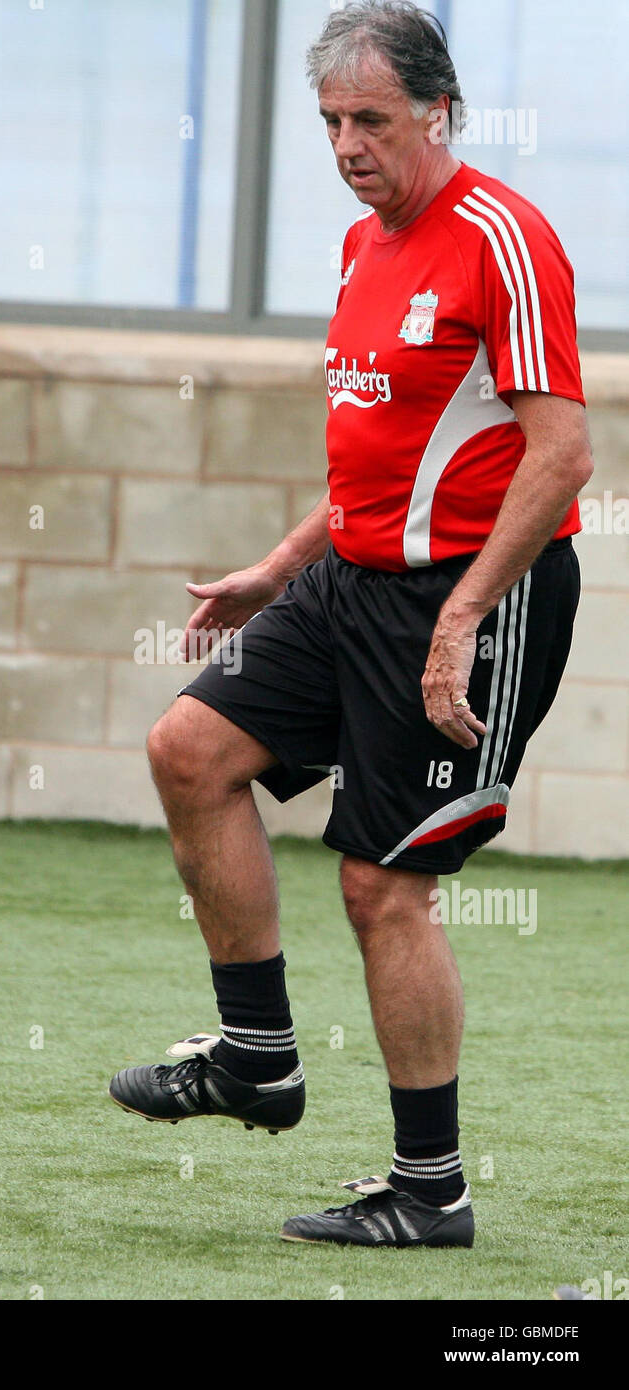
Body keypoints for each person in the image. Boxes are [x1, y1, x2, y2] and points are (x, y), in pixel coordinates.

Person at [109, 0, 593, 1249]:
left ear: (439, 111)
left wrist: (462, 617)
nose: (345, 144)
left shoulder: (504, 237)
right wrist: (279, 567)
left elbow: (563, 455)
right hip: (348, 580)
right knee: (189, 750)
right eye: (329, 121)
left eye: (369, 120)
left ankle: (429, 1193)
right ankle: (259, 1059)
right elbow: (376, 461)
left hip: (476, 595)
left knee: (385, 885)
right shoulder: (355, 248)